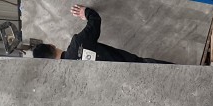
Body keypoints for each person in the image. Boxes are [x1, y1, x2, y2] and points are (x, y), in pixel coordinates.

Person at [31, 4, 170, 63]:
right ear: (51, 45)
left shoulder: (71, 76)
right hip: (134, 64)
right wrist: (85, 12)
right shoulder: (78, 43)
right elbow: (95, 20)